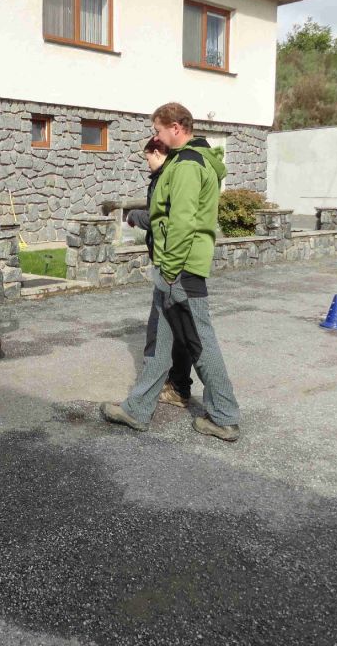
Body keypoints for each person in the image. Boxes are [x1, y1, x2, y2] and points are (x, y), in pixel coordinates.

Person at [101, 102, 241, 442]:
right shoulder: (182, 162)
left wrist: (171, 271)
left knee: (200, 344)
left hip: (180, 271)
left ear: (176, 128)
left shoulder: (188, 165)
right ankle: (138, 409)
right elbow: (165, 216)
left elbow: (181, 223)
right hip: (171, 270)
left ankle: (224, 417)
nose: (156, 137)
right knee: (159, 342)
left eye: (158, 130)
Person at [125, 136, 194, 409]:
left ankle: (150, 391)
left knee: (161, 329)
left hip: (171, 267)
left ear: (156, 152)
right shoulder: (172, 174)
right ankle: (176, 386)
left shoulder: (170, 176)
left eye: (147, 158)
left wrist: (134, 216)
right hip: (174, 265)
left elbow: (161, 220)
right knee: (180, 331)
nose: (147, 164)